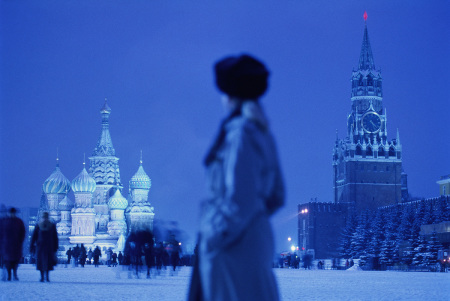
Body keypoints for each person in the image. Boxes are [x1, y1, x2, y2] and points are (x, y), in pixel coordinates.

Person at [189, 54, 285, 301]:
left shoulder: (240, 133)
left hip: (233, 249)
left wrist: (213, 234)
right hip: (254, 240)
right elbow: (277, 195)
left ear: (230, 95)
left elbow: (239, 199)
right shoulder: (262, 131)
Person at [30, 212, 58, 282]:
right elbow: (34, 237)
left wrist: (55, 247)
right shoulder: (39, 225)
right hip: (43, 247)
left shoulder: (50, 225)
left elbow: (55, 237)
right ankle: (42, 277)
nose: (45, 218)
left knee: (47, 262)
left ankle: (46, 277)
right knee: (41, 262)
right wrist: (32, 246)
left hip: (46, 247)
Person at [1, 207, 26, 281]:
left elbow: (22, 232)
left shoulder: (18, 221)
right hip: (7, 245)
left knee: (15, 260)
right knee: (8, 261)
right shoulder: (5, 221)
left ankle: (14, 273)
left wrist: (20, 241)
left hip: (15, 244)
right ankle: (9, 275)